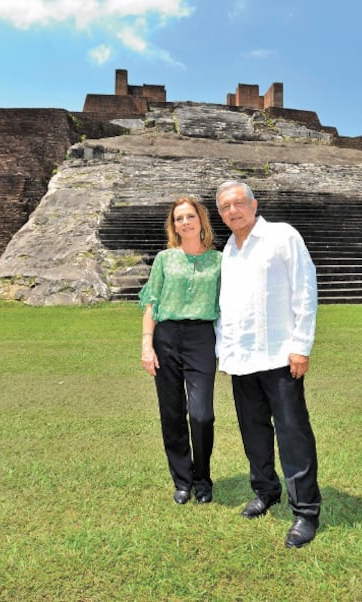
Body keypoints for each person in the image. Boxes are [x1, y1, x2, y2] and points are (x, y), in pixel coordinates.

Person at [214, 180, 322, 548]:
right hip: (242, 358)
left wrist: (301, 346)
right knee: (254, 432)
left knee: (293, 433)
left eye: (239, 203)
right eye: (225, 207)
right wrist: (225, 351)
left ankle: (305, 510)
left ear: (254, 204)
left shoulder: (282, 236)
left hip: (279, 355)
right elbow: (227, 307)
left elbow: (305, 289)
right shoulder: (228, 250)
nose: (233, 211)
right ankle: (266, 490)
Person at [139, 197, 222, 505]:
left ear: (201, 220)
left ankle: (203, 477)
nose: (185, 222)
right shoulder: (164, 259)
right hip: (166, 336)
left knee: (202, 415)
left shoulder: (218, 261)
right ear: (173, 225)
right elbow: (152, 301)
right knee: (172, 412)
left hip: (201, 337)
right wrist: (147, 344)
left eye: (190, 216)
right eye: (179, 218)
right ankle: (183, 480)